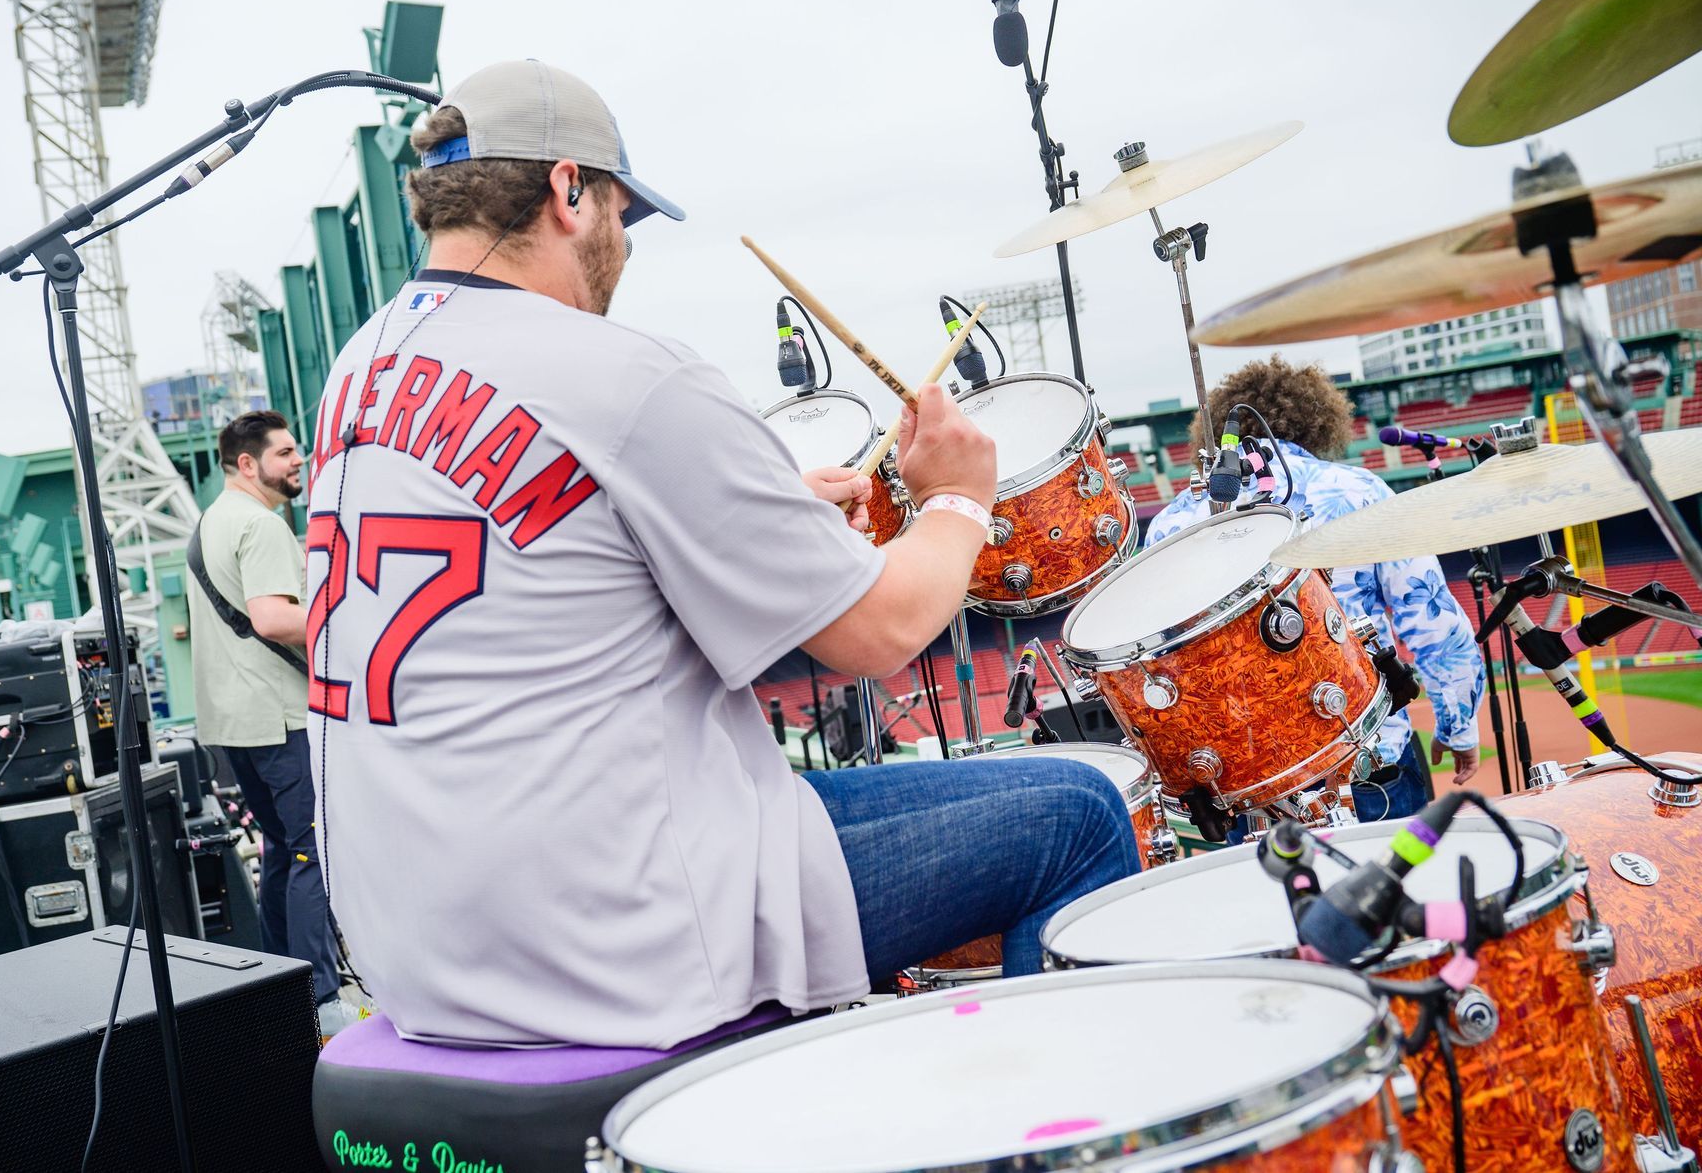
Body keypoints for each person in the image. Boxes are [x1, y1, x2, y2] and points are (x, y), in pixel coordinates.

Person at [307, 59, 1139, 1050]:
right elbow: (883, 630)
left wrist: (759, 515)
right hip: (607, 932)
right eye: (621, 211)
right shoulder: (623, 373)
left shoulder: (359, 370)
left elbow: (542, 561)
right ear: (569, 191)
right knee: (1079, 813)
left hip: (419, 941)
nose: (624, 244)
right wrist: (958, 495)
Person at [1145, 357, 1487, 821]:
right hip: (1365, 757)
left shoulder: (1172, 525)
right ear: (1317, 422)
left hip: (1248, 787)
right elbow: (1431, 620)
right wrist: (1458, 725)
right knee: (1400, 892)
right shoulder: (1357, 491)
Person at [185, 409, 348, 1035]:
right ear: (247, 463)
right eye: (284, 454)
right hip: (279, 717)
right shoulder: (260, 523)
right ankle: (322, 1000)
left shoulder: (210, 523)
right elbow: (274, 619)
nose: (298, 461)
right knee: (313, 852)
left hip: (232, 724)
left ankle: (278, 988)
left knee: (282, 850)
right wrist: (349, 626)